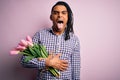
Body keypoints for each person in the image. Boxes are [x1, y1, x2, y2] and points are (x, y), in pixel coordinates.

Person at [21, 1, 80, 80]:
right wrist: (47, 63)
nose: (59, 15)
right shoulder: (40, 35)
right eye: (56, 13)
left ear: (68, 17)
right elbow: (24, 60)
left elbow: (76, 68)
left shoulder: (74, 40)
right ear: (51, 17)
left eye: (63, 13)